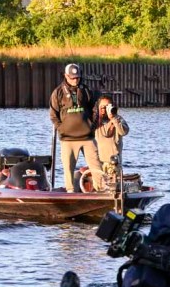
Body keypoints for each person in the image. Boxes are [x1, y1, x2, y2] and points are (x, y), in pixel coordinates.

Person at [49, 63, 103, 193]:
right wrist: (62, 129)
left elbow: (95, 109)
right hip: (67, 139)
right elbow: (53, 115)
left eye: (77, 77)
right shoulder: (58, 92)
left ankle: (101, 190)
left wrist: (92, 126)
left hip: (87, 137)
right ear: (66, 76)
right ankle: (70, 191)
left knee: (96, 166)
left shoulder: (86, 90)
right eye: (72, 77)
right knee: (68, 168)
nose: (75, 80)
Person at [94, 95, 130, 173]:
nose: (105, 109)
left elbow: (124, 132)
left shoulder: (118, 119)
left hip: (114, 163)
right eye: (102, 107)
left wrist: (113, 118)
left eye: (107, 107)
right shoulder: (94, 121)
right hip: (97, 163)